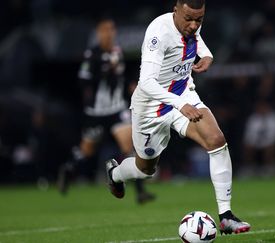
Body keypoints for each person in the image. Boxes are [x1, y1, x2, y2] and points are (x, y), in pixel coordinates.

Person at [104, 0, 251, 235]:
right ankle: (115, 174)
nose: (194, 25)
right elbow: (147, 83)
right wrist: (179, 104)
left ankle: (226, 217)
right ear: (176, 9)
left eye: (199, 20)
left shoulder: (192, 22)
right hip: (151, 108)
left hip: (183, 93)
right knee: (145, 169)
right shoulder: (158, 33)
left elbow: (197, 39)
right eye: (189, 19)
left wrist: (206, 55)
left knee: (216, 140)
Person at [57, 17, 155, 204]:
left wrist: (130, 85)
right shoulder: (91, 55)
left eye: (112, 29)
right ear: (98, 33)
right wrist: (104, 69)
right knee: (86, 152)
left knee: (130, 148)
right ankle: (69, 169)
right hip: (96, 113)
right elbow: (83, 80)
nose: (109, 33)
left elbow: (121, 77)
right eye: (105, 30)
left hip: (117, 109)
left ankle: (140, 191)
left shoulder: (117, 51)